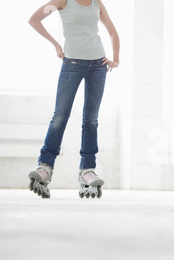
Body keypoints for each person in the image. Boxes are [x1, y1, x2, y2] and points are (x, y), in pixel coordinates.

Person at [27, 0, 120, 198]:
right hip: (72, 63)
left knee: (91, 119)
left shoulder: (97, 3)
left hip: (98, 65)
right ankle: (45, 165)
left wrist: (116, 59)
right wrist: (55, 44)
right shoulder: (62, 1)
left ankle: (87, 169)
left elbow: (112, 31)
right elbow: (34, 20)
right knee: (60, 115)